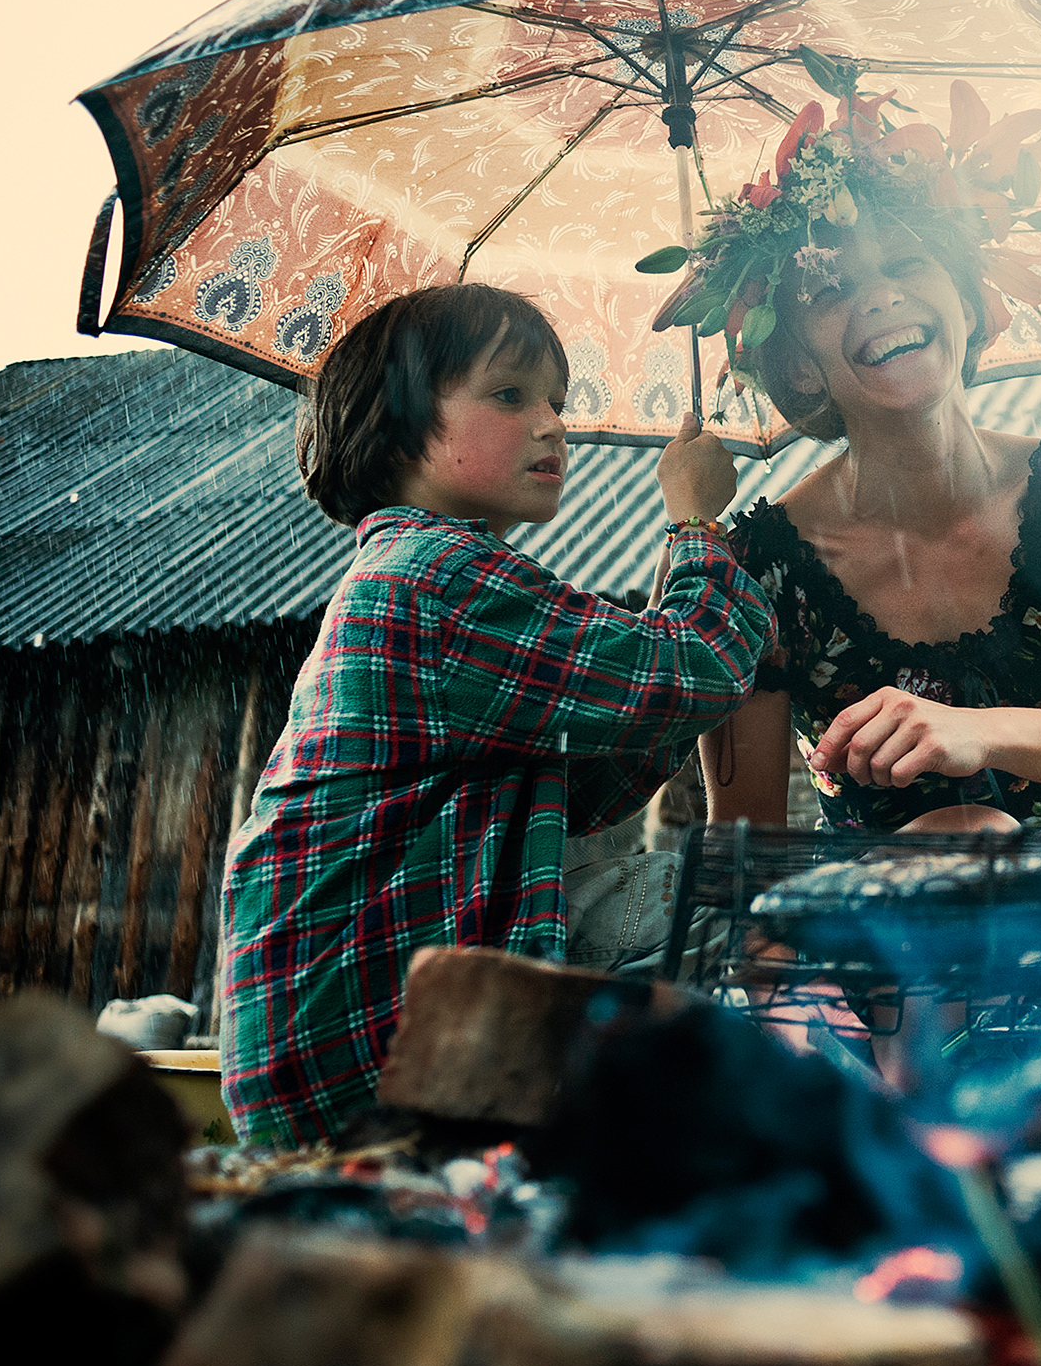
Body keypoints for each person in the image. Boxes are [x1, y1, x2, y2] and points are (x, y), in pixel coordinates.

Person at [217, 284, 774, 1147]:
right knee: (775, 912)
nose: (554, 422)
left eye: (557, 398)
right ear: (396, 421)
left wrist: (680, 638)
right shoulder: (435, 578)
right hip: (365, 1056)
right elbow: (690, 667)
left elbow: (591, 780)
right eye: (510, 395)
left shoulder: (425, 572)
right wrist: (698, 520)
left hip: (352, 1044)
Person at [664, 86, 1041, 839]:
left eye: (908, 264)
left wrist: (978, 731)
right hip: (892, 930)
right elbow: (745, 836)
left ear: (965, 297)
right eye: (834, 287)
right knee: (966, 833)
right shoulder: (765, 569)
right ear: (799, 367)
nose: (882, 298)